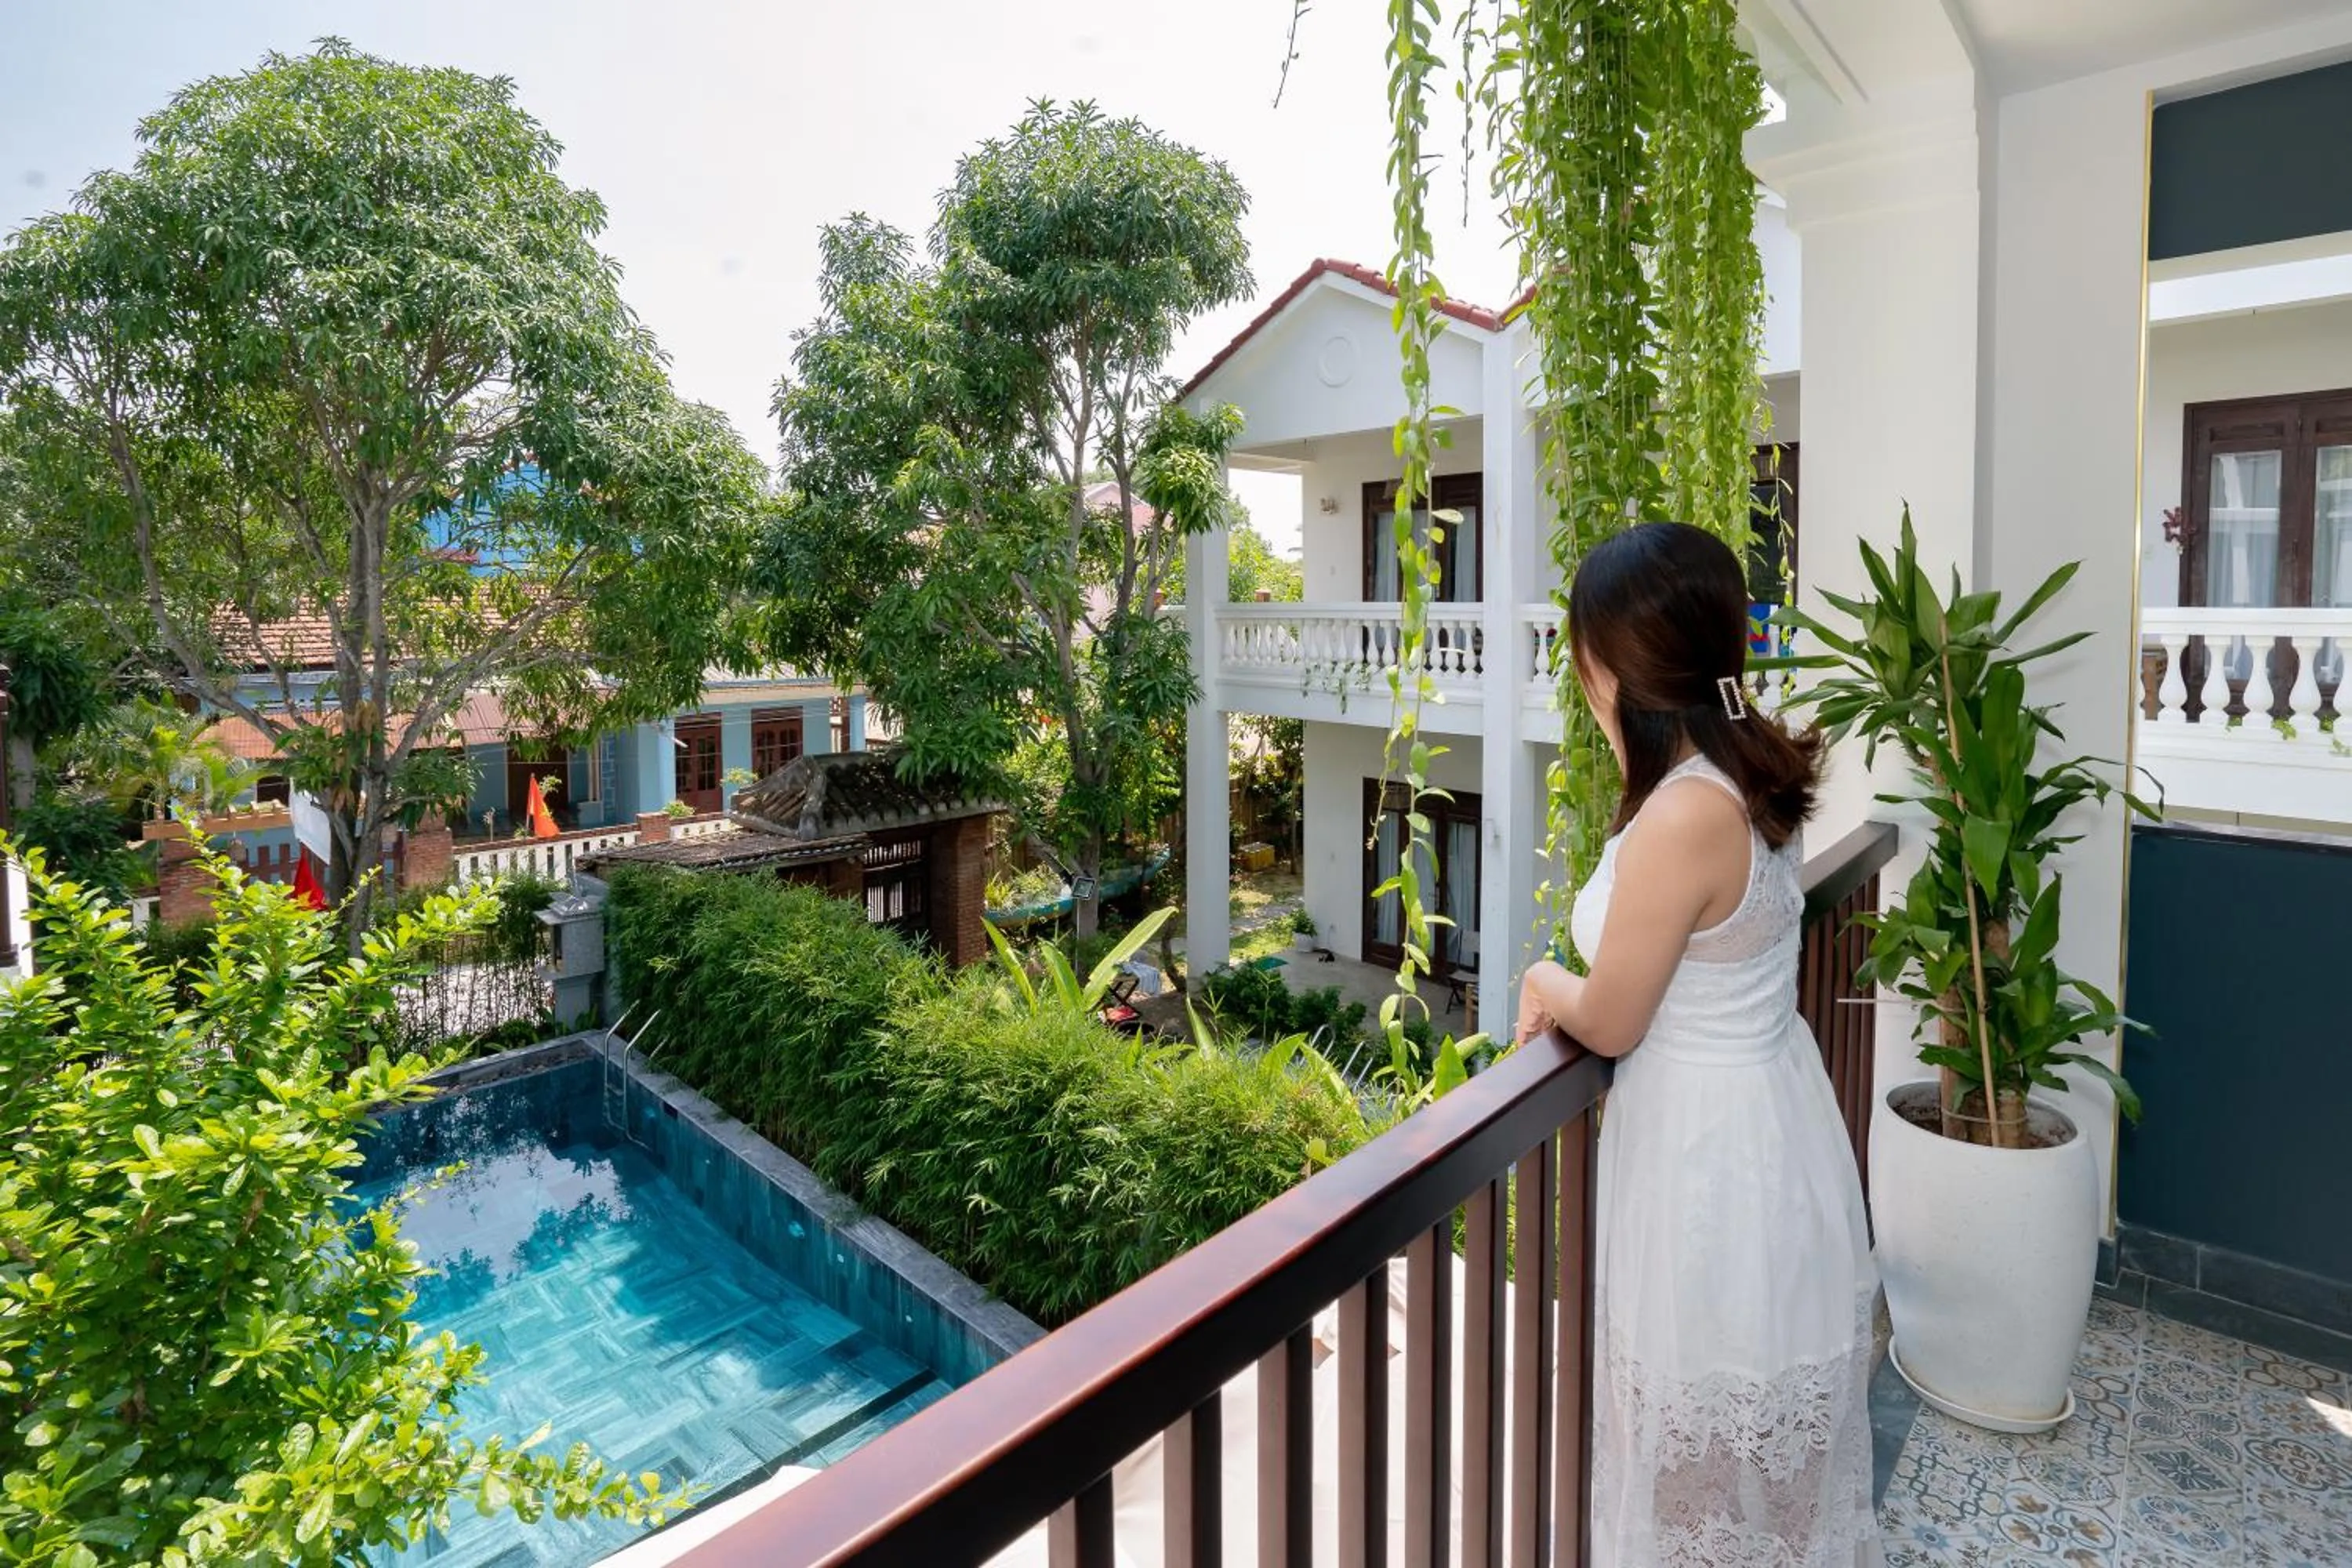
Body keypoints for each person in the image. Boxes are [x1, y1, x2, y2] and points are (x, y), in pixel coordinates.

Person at [1516, 521, 1880, 1567]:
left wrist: (1545, 979)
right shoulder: (1744, 767)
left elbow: (1614, 1017)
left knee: (1695, 1456)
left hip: (1711, 1167)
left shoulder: (1687, 814)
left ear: (1612, 668)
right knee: (1743, 1458)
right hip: (1765, 1125)